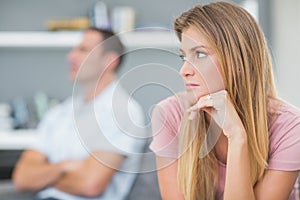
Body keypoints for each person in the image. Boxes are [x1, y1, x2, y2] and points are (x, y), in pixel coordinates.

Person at [150, 2, 300, 200]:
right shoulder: (169, 114)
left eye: (200, 54)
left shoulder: (290, 126)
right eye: (183, 57)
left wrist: (237, 136)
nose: (184, 71)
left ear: (238, 61)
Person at [12, 27, 146, 200]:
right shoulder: (60, 112)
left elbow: (90, 185)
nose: (71, 56)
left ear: (109, 61)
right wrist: (64, 167)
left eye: (83, 50)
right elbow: (22, 178)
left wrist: (44, 175)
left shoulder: (123, 112)